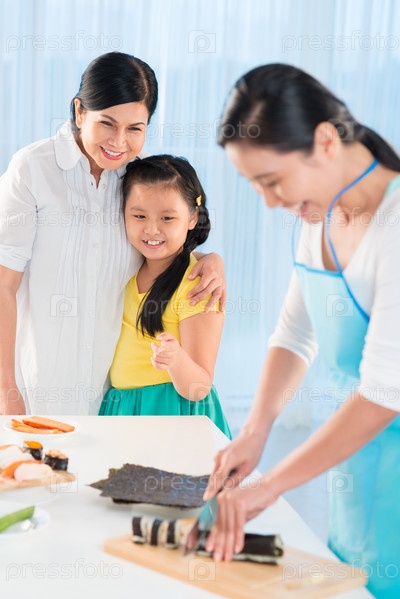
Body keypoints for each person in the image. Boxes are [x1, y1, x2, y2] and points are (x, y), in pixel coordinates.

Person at [202, 64, 400, 598]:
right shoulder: (321, 216)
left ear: (326, 141)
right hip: (356, 466)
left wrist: (269, 487)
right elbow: (294, 335)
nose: (270, 203)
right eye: (256, 186)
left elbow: (384, 393)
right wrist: (255, 432)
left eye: (273, 182)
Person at [0, 52, 225, 417]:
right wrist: (5, 388)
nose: (119, 142)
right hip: (35, 385)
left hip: (112, 400)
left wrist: (210, 259)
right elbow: (3, 284)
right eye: (107, 123)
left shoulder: (139, 176)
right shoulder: (33, 170)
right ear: (79, 112)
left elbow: (161, 239)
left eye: (135, 128)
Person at [99, 155, 231, 437]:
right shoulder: (127, 266)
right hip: (123, 408)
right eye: (139, 216)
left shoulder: (200, 285)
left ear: (192, 218)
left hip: (172, 412)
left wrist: (176, 360)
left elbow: (199, 386)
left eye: (167, 218)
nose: (151, 229)